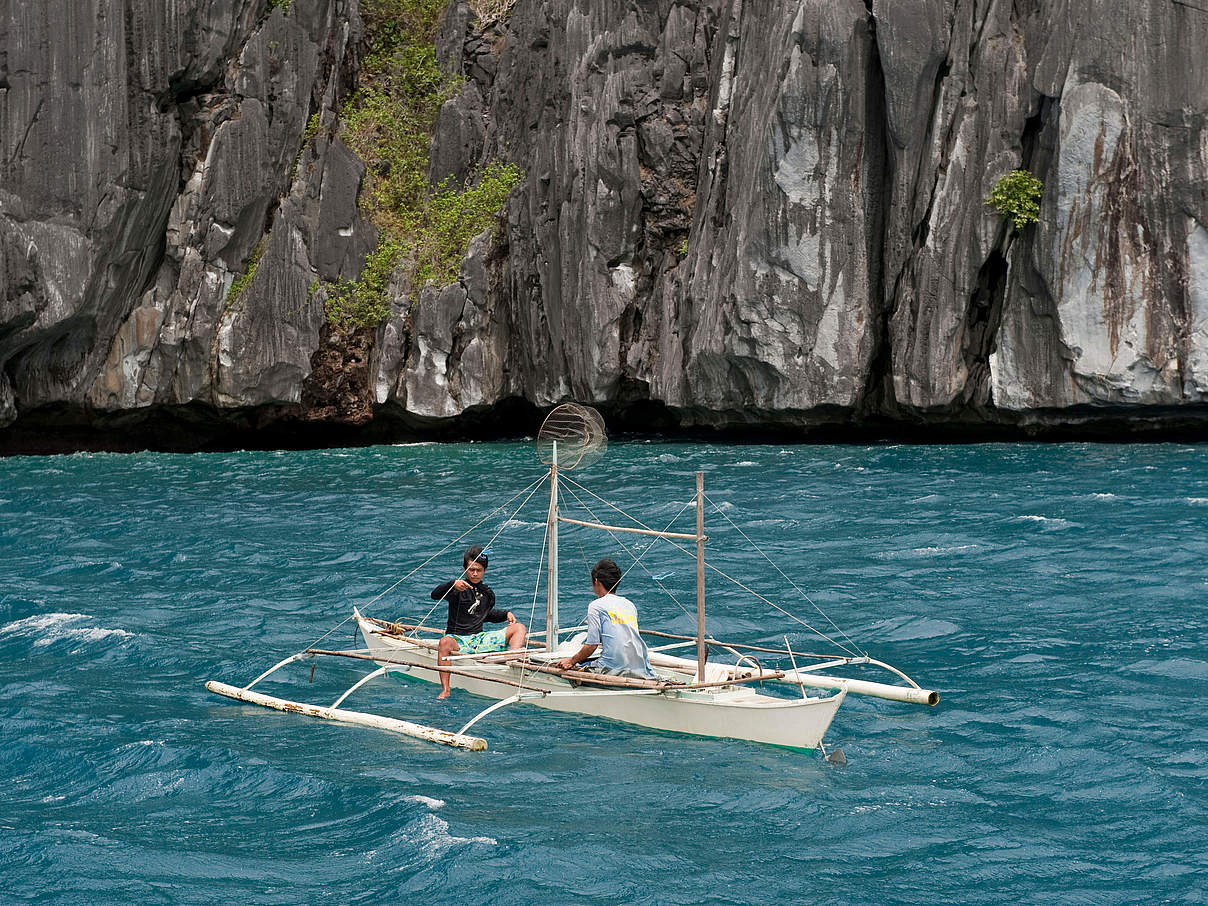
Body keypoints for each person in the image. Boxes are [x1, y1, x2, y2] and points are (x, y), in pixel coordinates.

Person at [432, 545, 526, 699]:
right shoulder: (456, 589)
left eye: (479, 570)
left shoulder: (488, 593)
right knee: (444, 642)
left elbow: (484, 615)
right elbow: (434, 595)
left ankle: (512, 659)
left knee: (519, 628)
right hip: (459, 640)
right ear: (465, 569)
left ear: (484, 571)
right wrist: (451, 584)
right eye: (471, 570)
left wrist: (506, 614)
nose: (475, 573)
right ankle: (446, 689)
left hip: (480, 640)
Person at [554, 558, 656, 679]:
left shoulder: (596, 606)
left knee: (578, 664)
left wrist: (571, 661)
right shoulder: (629, 604)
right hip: (640, 666)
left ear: (596, 581)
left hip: (612, 667)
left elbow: (592, 646)